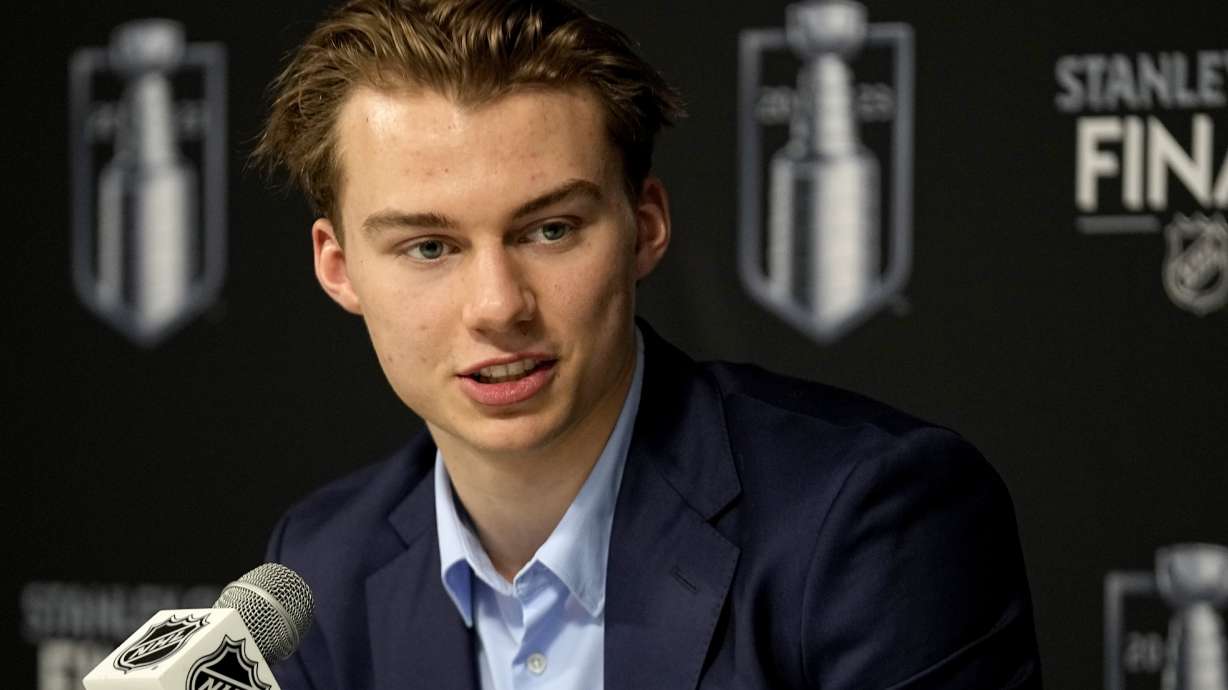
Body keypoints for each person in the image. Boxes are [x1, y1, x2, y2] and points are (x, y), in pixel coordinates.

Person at [252, 0, 1042, 688]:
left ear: (646, 230)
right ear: (338, 267)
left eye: (551, 229)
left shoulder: (871, 524)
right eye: (429, 247)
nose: (498, 306)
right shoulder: (321, 566)